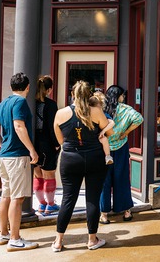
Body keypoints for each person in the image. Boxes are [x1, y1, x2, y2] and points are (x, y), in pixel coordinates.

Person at [52, 81, 113, 252]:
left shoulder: (60, 113)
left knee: (68, 198)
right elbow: (109, 133)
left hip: (70, 159)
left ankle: (58, 241)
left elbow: (60, 140)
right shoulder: (96, 111)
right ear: (89, 95)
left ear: (72, 94)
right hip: (95, 158)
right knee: (92, 199)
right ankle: (92, 240)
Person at [0, 72, 40, 252]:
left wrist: (2, 144)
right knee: (17, 199)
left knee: (6, 196)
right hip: (17, 157)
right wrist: (32, 149)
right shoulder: (20, 102)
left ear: (11, 87)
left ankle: (4, 234)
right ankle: (15, 239)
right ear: (28, 87)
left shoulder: (3, 103)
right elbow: (19, 126)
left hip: (4, 156)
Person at [99, 85, 137, 225]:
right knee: (122, 179)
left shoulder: (102, 109)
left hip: (104, 149)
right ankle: (126, 211)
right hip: (121, 148)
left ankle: (104, 214)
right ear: (119, 96)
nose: (124, 97)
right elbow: (139, 119)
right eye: (123, 95)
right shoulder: (126, 109)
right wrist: (126, 132)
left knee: (104, 180)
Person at [33, 75, 60, 216]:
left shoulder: (32, 103)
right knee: (49, 174)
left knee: (37, 174)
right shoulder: (51, 105)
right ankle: (50, 204)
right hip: (47, 143)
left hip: (33, 143)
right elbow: (52, 127)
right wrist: (56, 143)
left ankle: (41, 204)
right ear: (49, 90)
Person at [89, 92, 116, 165]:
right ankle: (108, 156)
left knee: (104, 139)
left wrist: (103, 131)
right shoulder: (101, 113)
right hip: (95, 136)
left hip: (98, 135)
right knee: (104, 140)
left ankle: (108, 156)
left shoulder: (103, 114)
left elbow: (112, 123)